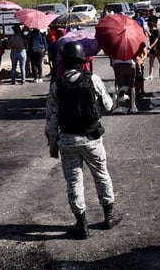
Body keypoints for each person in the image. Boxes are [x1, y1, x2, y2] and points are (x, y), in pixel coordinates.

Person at [45, 41, 120, 239]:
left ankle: (82, 225)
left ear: (64, 61)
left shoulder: (57, 85)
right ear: (82, 61)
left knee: (74, 181)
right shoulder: (93, 79)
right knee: (101, 175)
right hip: (92, 139)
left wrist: (52, 143)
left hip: (68, 140)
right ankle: (109, 217)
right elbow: (108, 105)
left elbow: (51, 118)